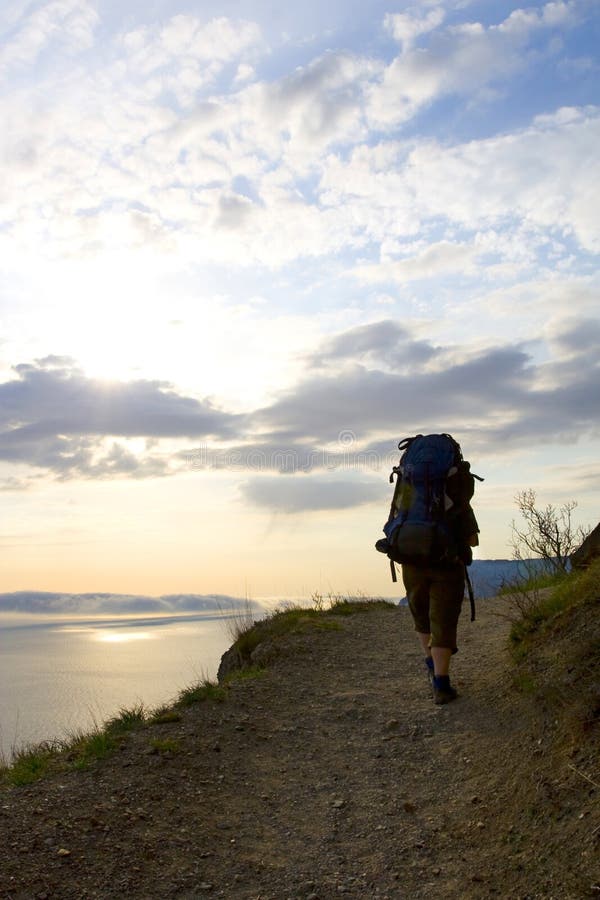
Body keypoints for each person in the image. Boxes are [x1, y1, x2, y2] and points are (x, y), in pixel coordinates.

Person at [402, 505, 479, 705]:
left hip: (411, 561)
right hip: (447, 564)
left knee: (421, 614)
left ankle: (431, 664)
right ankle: (442, 685)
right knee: (442, 620)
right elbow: (472, 540)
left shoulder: (410, 487)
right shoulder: (455, 492)